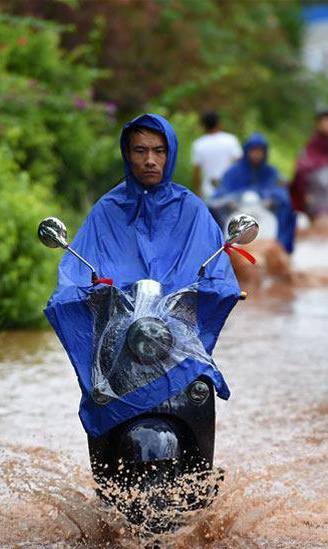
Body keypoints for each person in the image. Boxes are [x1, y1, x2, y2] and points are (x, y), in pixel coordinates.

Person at [45, 114, 242, 437]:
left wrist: (221, 288)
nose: (150, 160)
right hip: (121, 340)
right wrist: (72, 292)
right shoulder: (107, 209)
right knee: (99, 392)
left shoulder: (192, 210)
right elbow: (77, 268)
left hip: (175, 339)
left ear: (170, 154)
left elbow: (216, 265)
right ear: (127, 154)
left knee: (201, 385)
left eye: (158, 151)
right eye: (140, 151)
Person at [215, 132, 296, 254]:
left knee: (289, 206)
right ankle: (218, 249)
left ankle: (281, 248)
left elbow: (280, 191)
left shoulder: (270, 172)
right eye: (253, 151)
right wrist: (230, 202)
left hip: (265, 211)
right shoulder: (233, 172)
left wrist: (272, 200)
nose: (256, 155)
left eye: (260, 151)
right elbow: (220, 194)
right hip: (236, 213)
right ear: (247, 151)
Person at [191, 111, 242, 200]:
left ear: (203, 126)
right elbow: (241, 163)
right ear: (219, 123)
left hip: (208, 192)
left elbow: (196, 172)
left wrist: (197, 192)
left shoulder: (199, 144)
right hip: (230, 190)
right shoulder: (230, 140)